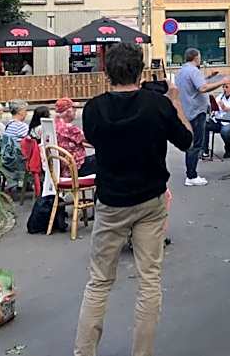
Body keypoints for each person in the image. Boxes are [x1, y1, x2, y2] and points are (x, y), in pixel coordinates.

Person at [74, 42, 193, 356]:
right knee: (149, 280)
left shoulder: (94, 109)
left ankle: (84, 352)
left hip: (111, 202)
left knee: (99, 282)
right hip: (150, 201)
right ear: (140, 72)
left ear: (107, 72)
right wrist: (175, 102)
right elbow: (186, 140)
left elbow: (92, 139)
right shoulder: (157, 105)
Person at [175, 48, 230, 187]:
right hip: (196, 111)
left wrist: (209, 77)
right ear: (196, 57)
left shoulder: (182, 71)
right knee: (196, 144)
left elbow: (195, 84)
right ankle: (191, 176)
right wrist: (221, 81)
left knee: (191, 142)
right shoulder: (194, 70)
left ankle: (191, 173)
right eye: (199, 57)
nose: (200, 59)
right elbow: (202, 88)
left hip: (187, 110)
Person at [54, 97, 96, 177]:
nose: (75, 113)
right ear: (69, 112)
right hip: (76, 167)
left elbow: (80, 141)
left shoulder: (55, 124)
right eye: (74, 110)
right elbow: (91, 139)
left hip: (64, 166)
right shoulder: (69, 128)